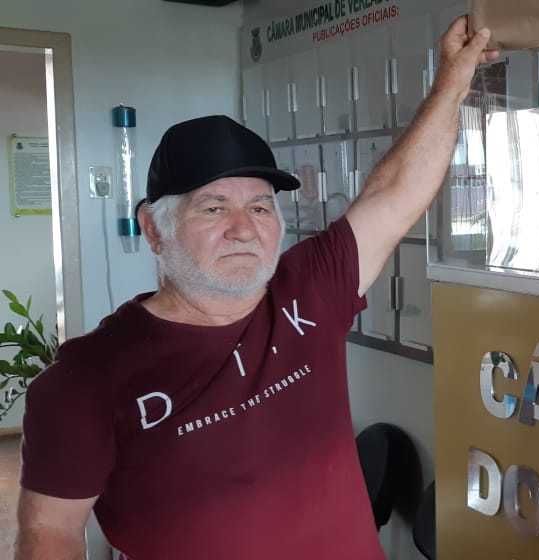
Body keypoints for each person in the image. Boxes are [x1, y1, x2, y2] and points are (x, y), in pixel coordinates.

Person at [15, 17, 499, 560]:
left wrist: (452, 81)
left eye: (261, 207)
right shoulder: (86, 379)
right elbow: (50, 533)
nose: (244, 229)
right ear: (153, 228)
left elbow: (395, 193)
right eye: (214, 207)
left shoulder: (311, 288)